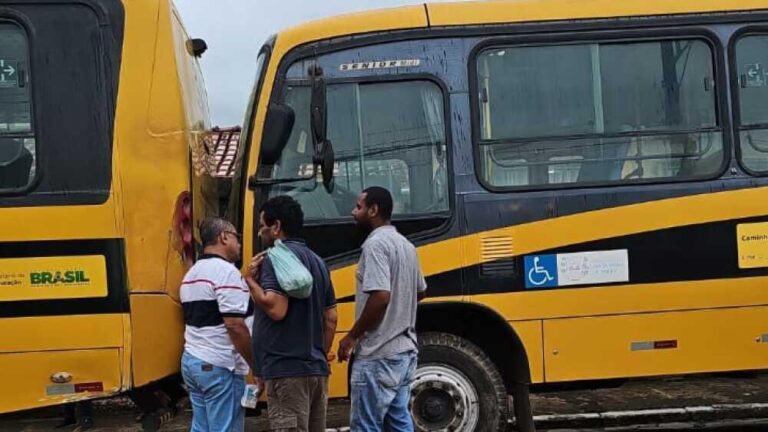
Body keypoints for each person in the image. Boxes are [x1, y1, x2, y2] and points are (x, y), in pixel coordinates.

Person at [338, 186, 427, 431]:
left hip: (378, 354)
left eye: (358, 207)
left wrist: (351, 336)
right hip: (405, 352)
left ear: (373, 210)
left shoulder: (375, 245)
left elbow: (380, 296)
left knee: (366, 425)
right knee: (398, 422)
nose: (353, 212)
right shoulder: (406, 245)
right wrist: (399, 312)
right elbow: (420, 291)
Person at [245, 196, 338, 432]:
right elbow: (331, 318)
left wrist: (248, 280)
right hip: (315, 370)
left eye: (261, 226)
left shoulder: (276, 259)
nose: (259, 233)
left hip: (286, 370)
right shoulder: (318, 263)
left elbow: (276, 309)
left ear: (276, 227)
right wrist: (319, 353)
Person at [180, 217, 253, 432]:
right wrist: (255, 364)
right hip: (220, 365)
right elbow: (234, 325)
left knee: (202, 428)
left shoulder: (191, 274)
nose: (239, 244)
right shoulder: (227, 272)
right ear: (224, 237)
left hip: (193, 362)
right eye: (236, 238)